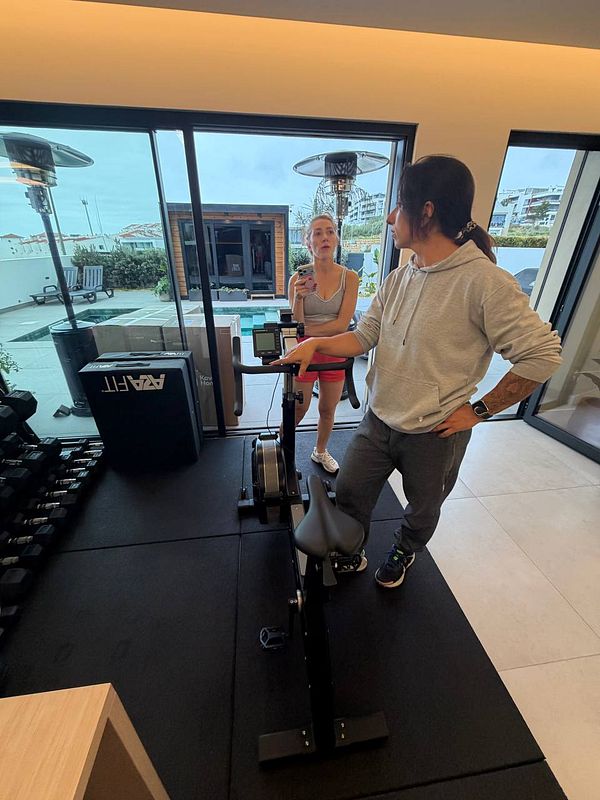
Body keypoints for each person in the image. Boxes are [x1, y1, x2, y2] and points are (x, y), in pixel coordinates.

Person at [274, 155, 562, 586]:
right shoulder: (399, 277)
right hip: (378, 419)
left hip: (434, 432)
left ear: (426, 211)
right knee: (350, 493)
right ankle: (352, 549)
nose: (391, 217)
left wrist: (478, 411)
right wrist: (315, 344)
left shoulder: (485, 284)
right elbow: (366, 334)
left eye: (398, 206)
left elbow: (543, 356)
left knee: (423, 509)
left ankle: (404, 551)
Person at [287, 213, 359, 473]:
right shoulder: (298, 279)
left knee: (327, 408)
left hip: (335, 348)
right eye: (317, 233)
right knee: (299, 408)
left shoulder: (349, 278)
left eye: (329, 231)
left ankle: (320, 451)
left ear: (336, 239)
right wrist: (298, 298)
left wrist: (310, 330)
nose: (324, 237)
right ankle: (281, 447)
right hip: (305, 350)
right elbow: (296, 323)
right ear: (308, 243)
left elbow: (342, 324)